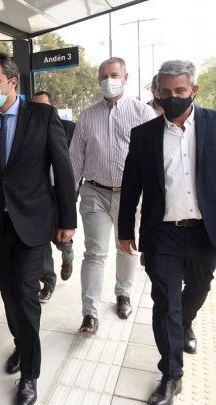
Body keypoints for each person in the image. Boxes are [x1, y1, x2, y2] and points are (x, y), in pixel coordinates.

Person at [0, 52, 77, 405]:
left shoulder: (43, 115)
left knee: (24, 296)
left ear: (12, 83)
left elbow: (63, 170)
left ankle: (30, 376)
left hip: (33, 224)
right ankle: (22, 345)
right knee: (9, 297)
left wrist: (67, 220)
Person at [119, 60, 216, 405]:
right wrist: (126, 230)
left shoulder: (214, 124)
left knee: (201, 286)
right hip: (164, 234)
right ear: (157, 93)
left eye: (180, 91)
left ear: (194, 90)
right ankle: (171, 375)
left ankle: (186, 321)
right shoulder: (144, 135)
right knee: (165, 305)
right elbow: (132, 184)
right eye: (166, 91)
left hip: (206, 231)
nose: (172, 97)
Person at [69, 57, 156, 335]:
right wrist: (67, 201)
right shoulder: (87, 116)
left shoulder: (143, 113)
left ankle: (123, 294)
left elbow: (154, 159)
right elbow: (75, 160)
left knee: (126, 247)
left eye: (114, 74)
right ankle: (89, 313)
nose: (109, 80)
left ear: (125, 77)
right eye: (103, 76)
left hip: (131, 196)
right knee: (94, 253)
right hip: (94, 192)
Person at [31, 91, 76, 302]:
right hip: (37, 193)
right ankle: (48, 282)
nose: (38, 111)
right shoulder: (28, 129)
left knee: (60, 237)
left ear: (53, 107)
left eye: (43, 106)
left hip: (60, 192)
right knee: (41, 240)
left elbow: (75, 163)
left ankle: (67, 254)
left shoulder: (70, 129)